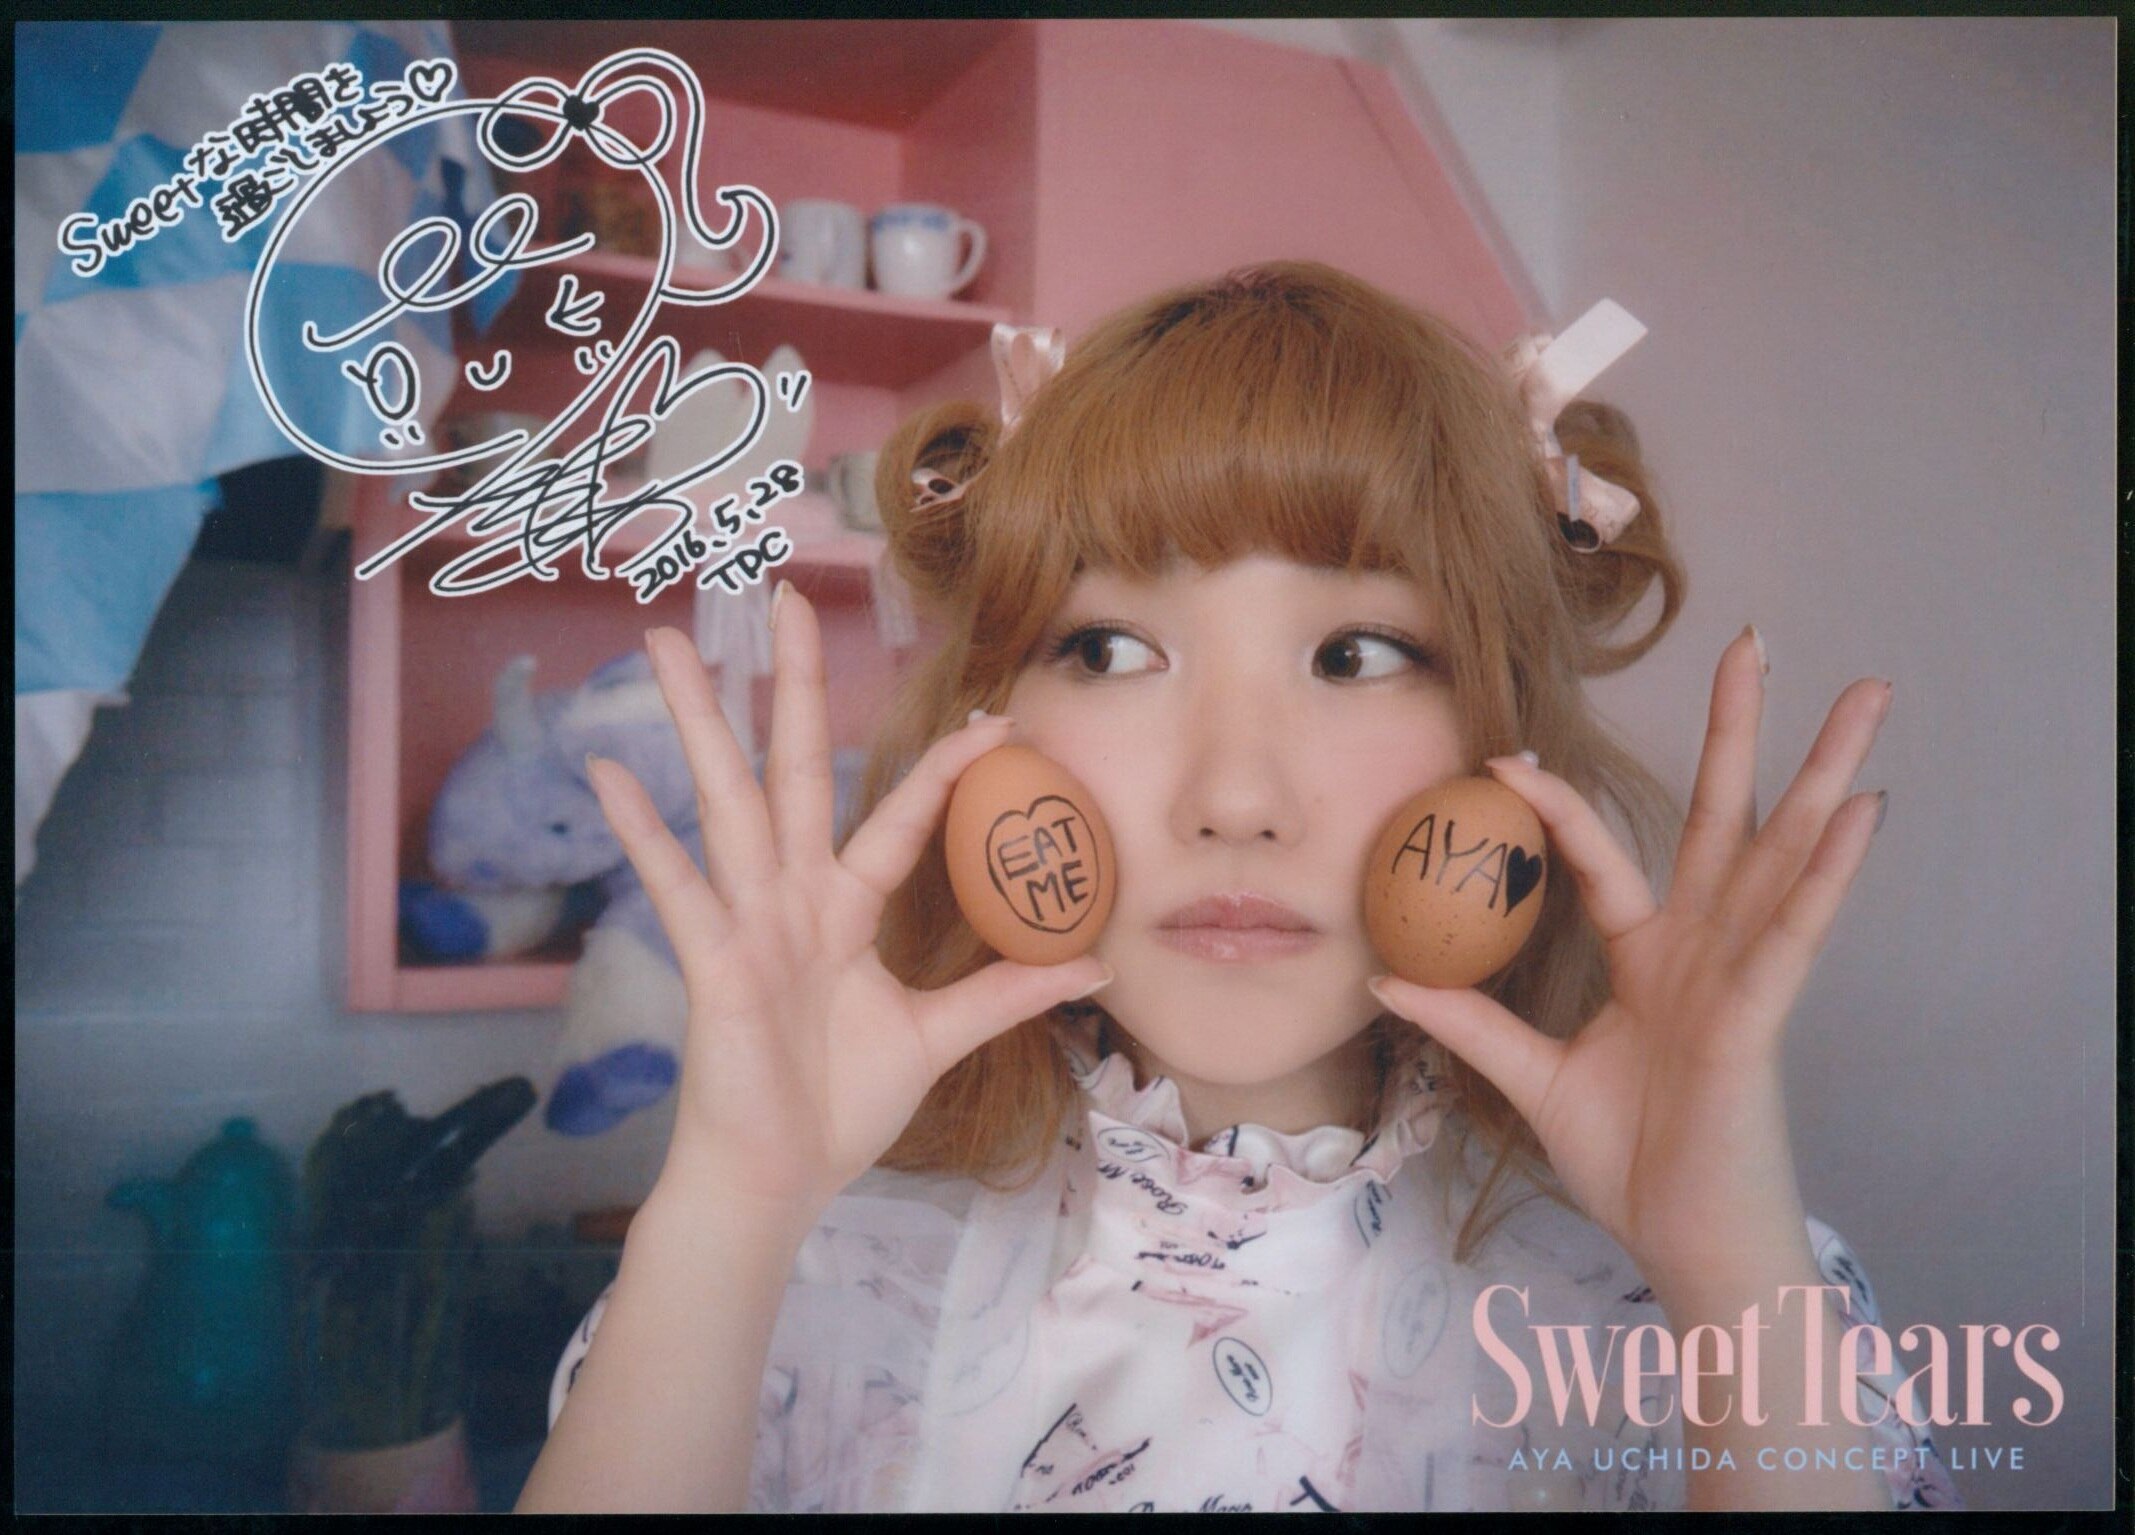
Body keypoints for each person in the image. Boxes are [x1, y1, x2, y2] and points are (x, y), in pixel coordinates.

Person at [516, 263, 1960, 1513]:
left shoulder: (1697, 1314)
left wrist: (1731, 1276)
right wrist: (728, 1214)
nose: (1235, 798)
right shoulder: (808, 1279)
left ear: (1505, 739)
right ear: (989, 721)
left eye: (1358, 655)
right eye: (1111, 651)